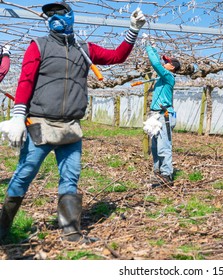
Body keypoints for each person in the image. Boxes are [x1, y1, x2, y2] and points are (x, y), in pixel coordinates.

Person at [0, 1, 145, 243]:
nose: (55, 17)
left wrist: (133, 30)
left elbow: (117, 57)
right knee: (24, 173)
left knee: (70, 176)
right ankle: (3, 229)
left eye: (60, 12)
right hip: (40, 123)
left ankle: (72, 232)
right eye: (50, 14)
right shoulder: (38, 46)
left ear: (71, 16)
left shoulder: (84, 49)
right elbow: (25, 81)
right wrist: (17, 116)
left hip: (71, 127)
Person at [145, 44, 181, 188]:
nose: (164, 63)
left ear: (172, 67)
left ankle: (167, 176)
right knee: (154, 147)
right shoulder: (162, 78)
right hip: (157, 115)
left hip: (165, 115)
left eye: (167, 62)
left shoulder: (168, 76)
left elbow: (155, 63)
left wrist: (147, 47)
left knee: (163, 146)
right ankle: (158, 173)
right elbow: (157, 62)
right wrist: (154, 48)